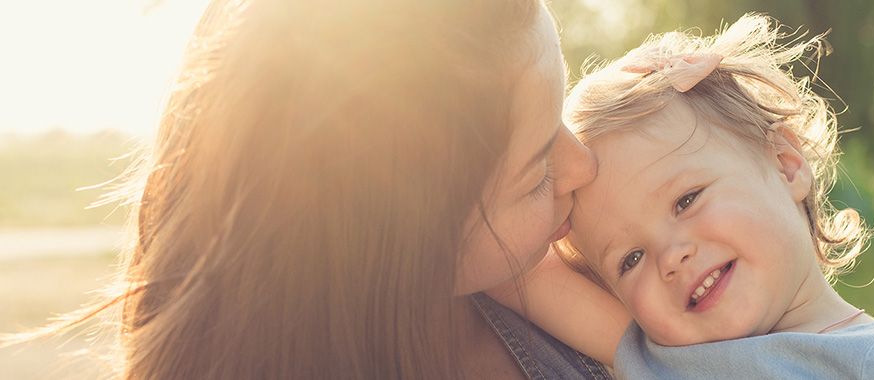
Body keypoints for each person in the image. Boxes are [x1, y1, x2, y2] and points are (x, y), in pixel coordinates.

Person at [1, 0, 631, 378]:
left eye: (562, 114)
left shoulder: (554, 287)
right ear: (401, 244)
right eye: (536, 173)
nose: (584, 166)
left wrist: (688, 120)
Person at [540, 14, 874, 379]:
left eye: (686, 200)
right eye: (630, 259)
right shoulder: (664, 362)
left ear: (786, 163)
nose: (669, 258)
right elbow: (512, 262)